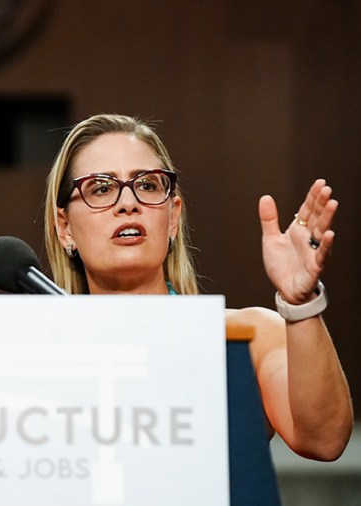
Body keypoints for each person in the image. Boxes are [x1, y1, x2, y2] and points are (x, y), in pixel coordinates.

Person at [42, 113, 352, 461]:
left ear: (172, 217)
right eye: (101, 188)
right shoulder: (35, 357)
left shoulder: (245, 340)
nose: (127, 203)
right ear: (64, 227)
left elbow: (323, 440)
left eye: (146, 185)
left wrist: (301, 302)